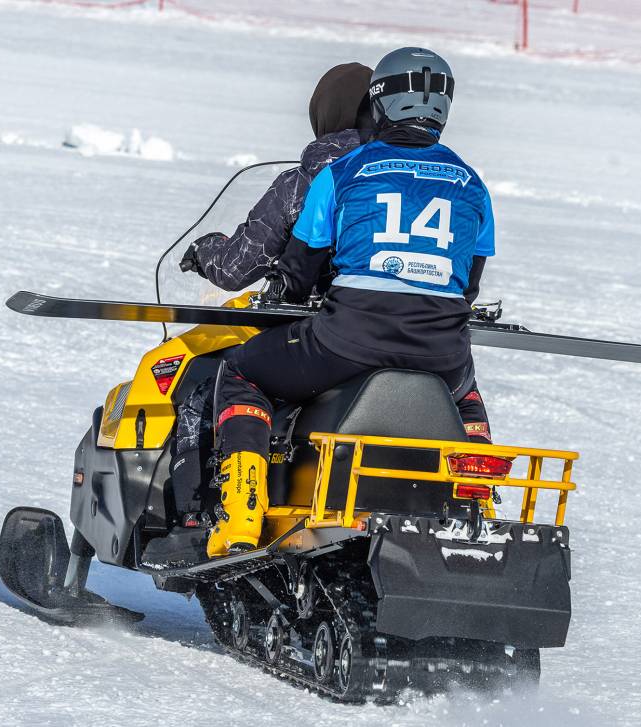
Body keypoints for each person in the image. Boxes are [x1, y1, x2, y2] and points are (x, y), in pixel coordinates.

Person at [206, 47, 495, 557]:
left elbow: (298, 273)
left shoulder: (340, 174)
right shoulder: (473, 183)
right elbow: (467, 284)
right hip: (442, 353)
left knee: (241, 373)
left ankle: (241, 516)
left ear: (379, 104)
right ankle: (480, 510)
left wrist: (293, 296)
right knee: (465, 395)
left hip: (347, 343)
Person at [179, 62, 375, 290]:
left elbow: (234, 269)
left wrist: (203, 249)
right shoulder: (410, 176)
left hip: (326, 319)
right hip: (412, 315)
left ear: (323, 113)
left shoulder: (302, 184)